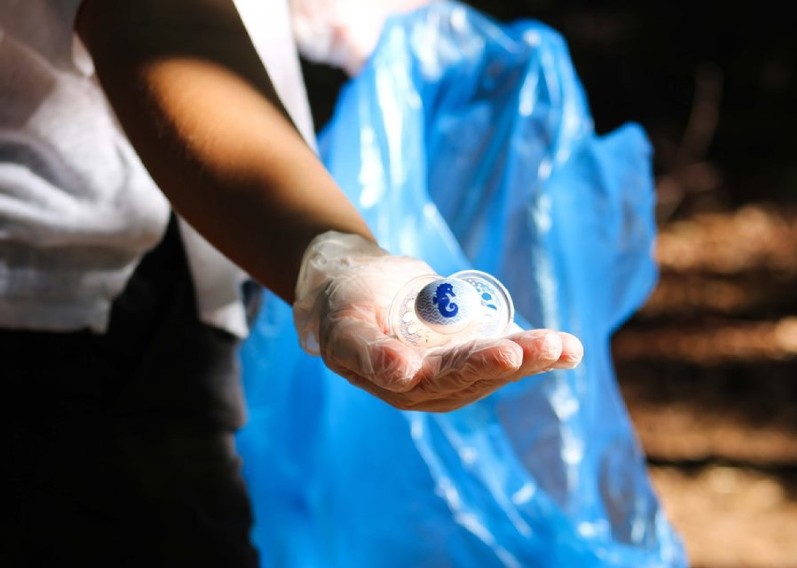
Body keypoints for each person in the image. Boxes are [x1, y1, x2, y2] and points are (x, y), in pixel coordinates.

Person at [0, 0, 584, 566]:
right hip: (64, 312)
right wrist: (337, 258)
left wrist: (414, 32)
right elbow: (160, 21)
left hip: (205, 277)